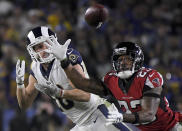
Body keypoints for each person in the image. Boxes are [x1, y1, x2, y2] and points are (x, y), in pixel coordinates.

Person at [16, 26, 137, 131]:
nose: (43, 49)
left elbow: (86, 95)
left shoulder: (67, 56)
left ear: (53, 42)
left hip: (98, 114)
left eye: (45, 44)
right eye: (38, 47)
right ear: (32, 51)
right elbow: (24, 104)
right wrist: (20, 84)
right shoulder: (36, 69)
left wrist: (60, 93)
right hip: (81, 124)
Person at [48, 40, 182, 131]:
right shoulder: (110, 79)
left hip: (171, 127)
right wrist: (64, 60)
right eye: (120, 59)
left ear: (138, 60)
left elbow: (148, 114)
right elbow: (83, 84)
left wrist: (122, 117)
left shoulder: (150, 76)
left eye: (127, 59)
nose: (123, 63)